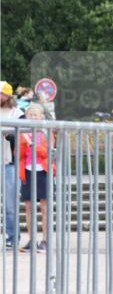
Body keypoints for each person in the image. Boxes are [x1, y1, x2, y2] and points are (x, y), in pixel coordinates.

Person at [17, 104, 53, 252]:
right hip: (27, 171)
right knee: (28, 207)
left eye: (35, 114)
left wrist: (32, 144)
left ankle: (45, 240)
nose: (32, 117)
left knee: (44, 207)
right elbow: (18, 153)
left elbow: (46, 153)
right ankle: (32, 239)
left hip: (42, 171)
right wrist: (24, 141)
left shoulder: (46, 132)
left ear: (41, 117)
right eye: (30, 114)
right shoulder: (23, 132)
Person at [1, 86, 23, 248]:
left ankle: (12, 236)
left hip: (9, 161)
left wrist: (11, 135)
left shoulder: (17, 113)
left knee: (10, 203)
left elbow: (23, 136)